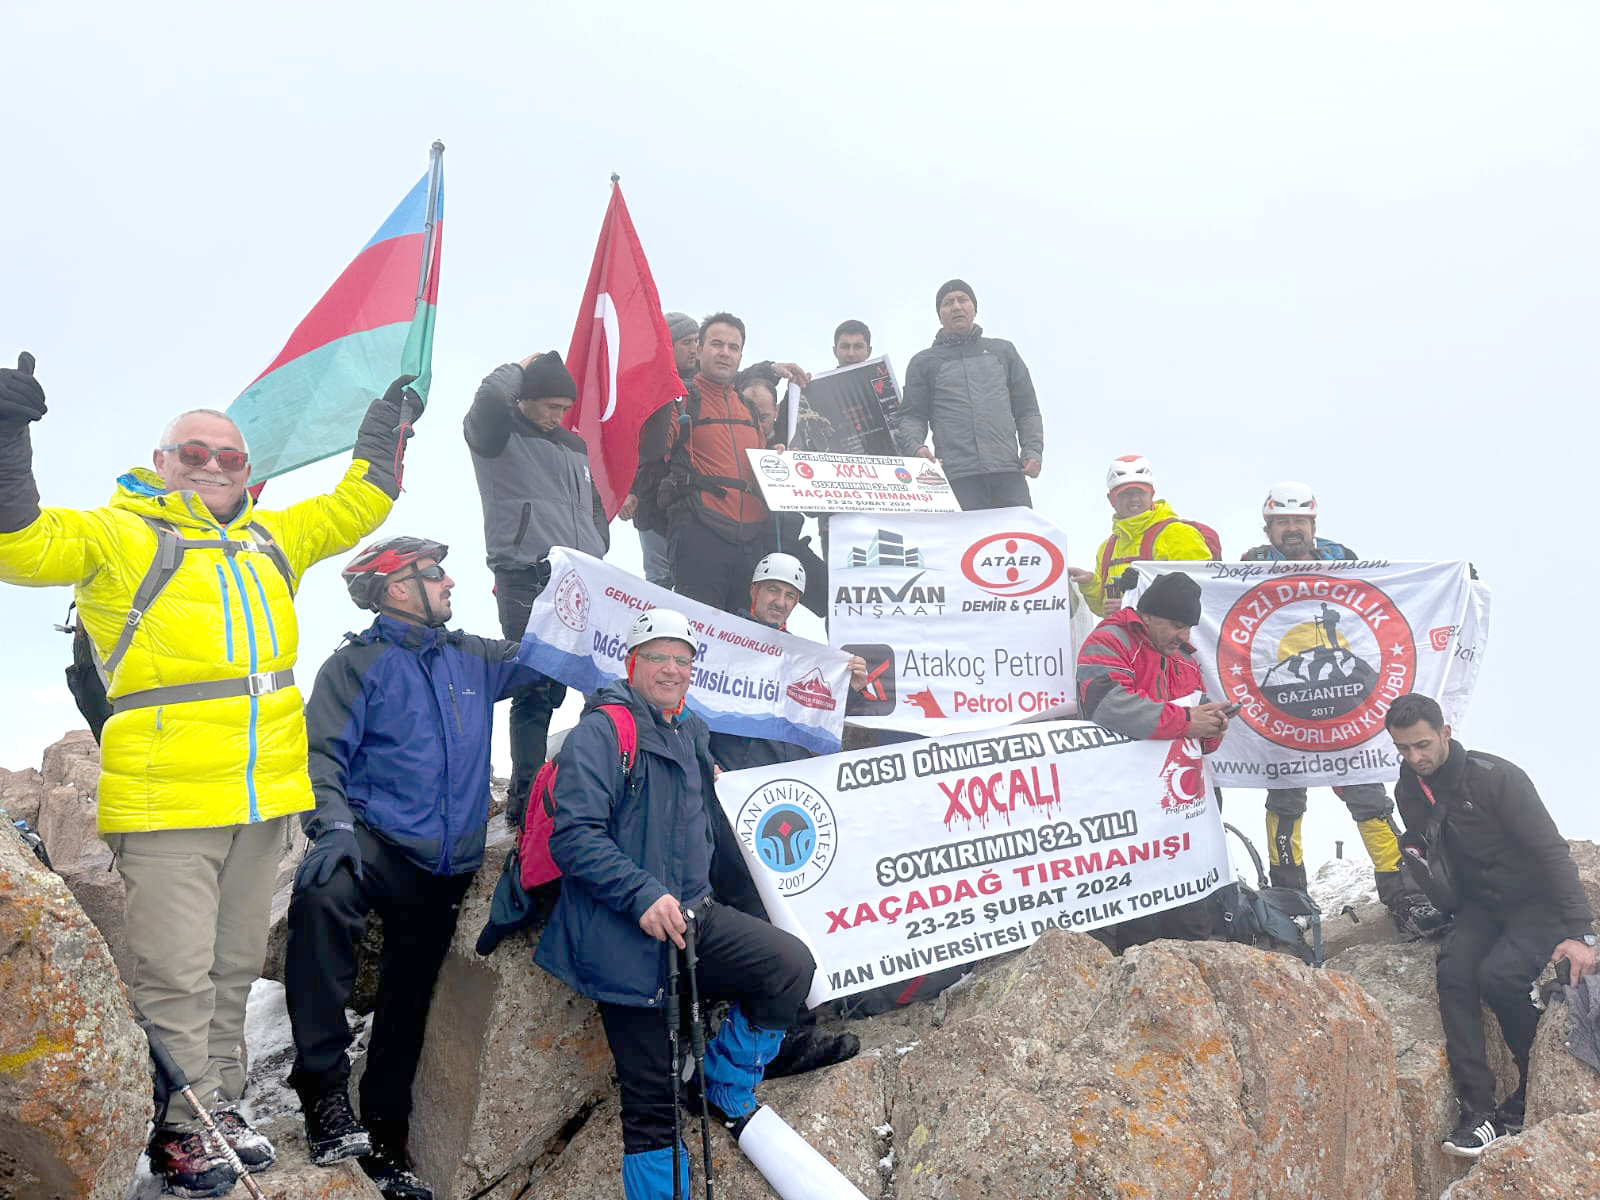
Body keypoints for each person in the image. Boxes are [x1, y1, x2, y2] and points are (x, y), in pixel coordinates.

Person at [0, 354, 417, 1198]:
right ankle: (184, 1130)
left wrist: (384, 436)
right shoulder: (118, 534)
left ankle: (215, 1110)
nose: (215, 466)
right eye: (194, 452)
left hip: (262, 796)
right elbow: (18, 544)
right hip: (166, 796)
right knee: (176, 969)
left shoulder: (267, 538)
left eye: (230, 457)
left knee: (230, 965)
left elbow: (354, 508)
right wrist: (8, 438)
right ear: (160, 462)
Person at [284, 537, 547, 1199]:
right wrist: (333, 829)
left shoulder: (472, 656)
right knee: (320, 897)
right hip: (376, 843)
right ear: (396, 588)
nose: (449, 581)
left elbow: (549, 661)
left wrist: (578, 605)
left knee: (407, 1003)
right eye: (434, 574)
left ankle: (383, 1141)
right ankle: (320, 1089)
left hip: (447, 863)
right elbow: (321, 758)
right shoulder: (355, 665)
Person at [534, 608, 816, 1199]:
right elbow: (575, 836)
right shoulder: (604, 733)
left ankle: (722, 1083)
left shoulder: (689, 728)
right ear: (632, 664)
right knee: (651, 1104)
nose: (670, 669)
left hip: (694, 916)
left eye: (682, 659)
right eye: (657, 657)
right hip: (624, 937)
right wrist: (642, 896)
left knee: (789, 965)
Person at [1386, 694, 1596, 1157]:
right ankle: (1478, 1112)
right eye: (1402, 749)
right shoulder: (1408, 790)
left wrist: (1582, 933)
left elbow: (1550, 850)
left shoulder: (1495, 777)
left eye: (1421, 744)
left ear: (1445, 732)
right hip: (1479, 908)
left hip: (1536, 903)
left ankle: (1530, 1085)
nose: (1414, 757)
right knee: (1455, 973)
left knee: (1499, 976)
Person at [1239, 482, 1435, 933]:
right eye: (1282, 522)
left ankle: (1403, 892)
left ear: (1313, 523)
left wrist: (1454, 584)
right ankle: (1289, 896)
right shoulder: (1245, 565)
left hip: (1346, 705)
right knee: (1285, 802)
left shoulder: (1342, 557)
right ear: (1268, 527)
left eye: (1299, 521)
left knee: (1368, 799)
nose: (1291, 530)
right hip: (1285, 705)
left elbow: (1389, 596)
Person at [463, 350, 609, 819]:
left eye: (563, 408)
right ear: (525, 398)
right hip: (525, 576)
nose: (557, 416)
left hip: (582, 579)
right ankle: (523, 798)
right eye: (549, 405)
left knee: (600, 679)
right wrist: (521, 369)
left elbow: (591, 503)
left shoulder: (573, 444)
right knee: (535, 686)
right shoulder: (497, 433)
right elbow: (489, 395)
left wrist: (598, 541)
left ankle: (599, 777)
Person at [1076, 572, 1232, 947]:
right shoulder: (1109, 640)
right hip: (1126, 805)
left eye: (1190, 628)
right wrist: (1186, 722)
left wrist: (1212, 727)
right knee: (1140, 921)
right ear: (1148, 616)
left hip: (1184, 808)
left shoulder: (1185, 660)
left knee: (1194, 920)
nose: (1185, 637)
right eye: (1178, 626)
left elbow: (1194, 728)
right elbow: (1105, 704)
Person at [660, 312, 824, 616]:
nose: (725, 353)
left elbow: (760, 469)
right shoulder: (680, 401)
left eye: (733, 347)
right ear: (699, 350)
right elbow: (653, 453)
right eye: (717, 344)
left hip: (750, 545)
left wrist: (776, 460)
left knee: (746, 644)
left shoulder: (749, 409)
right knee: (701, 637)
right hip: (700, 537)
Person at [895, 278, 1042, 512]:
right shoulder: (923, 362)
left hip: (1008, 473)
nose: (956, 306)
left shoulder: (1003, 351)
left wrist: (1032, 451)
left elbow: (1027, 410)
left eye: (963, 300)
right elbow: (912, 415)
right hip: (956, 478)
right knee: (965, 549)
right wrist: (915, 447)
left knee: (1018, 544)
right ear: (939, 314)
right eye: (947, 302)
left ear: (974, 308)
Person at [1070, 455, 1213, 617]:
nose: (1134, 499)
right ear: (1111, 499)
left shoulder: (1180, 534)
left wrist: (1132, 605)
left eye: (1140, 492)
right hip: (1125, 640)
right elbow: (1104, 610)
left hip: (1167, 641)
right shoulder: (1106, 548)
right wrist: (1090, 584)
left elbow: (1199, 595)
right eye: (1125, 494)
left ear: (1152, 493)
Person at [622, 311, 698, 589]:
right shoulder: (644, 386)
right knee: (659, 582)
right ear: (669, 345)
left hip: (690, 501)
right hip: (651, 501)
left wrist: (771, 368)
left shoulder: (705, 384)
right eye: (686, 342)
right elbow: (630, 442)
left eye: (697, 341)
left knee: (693, 582)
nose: (694, 350)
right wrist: (626, 490)